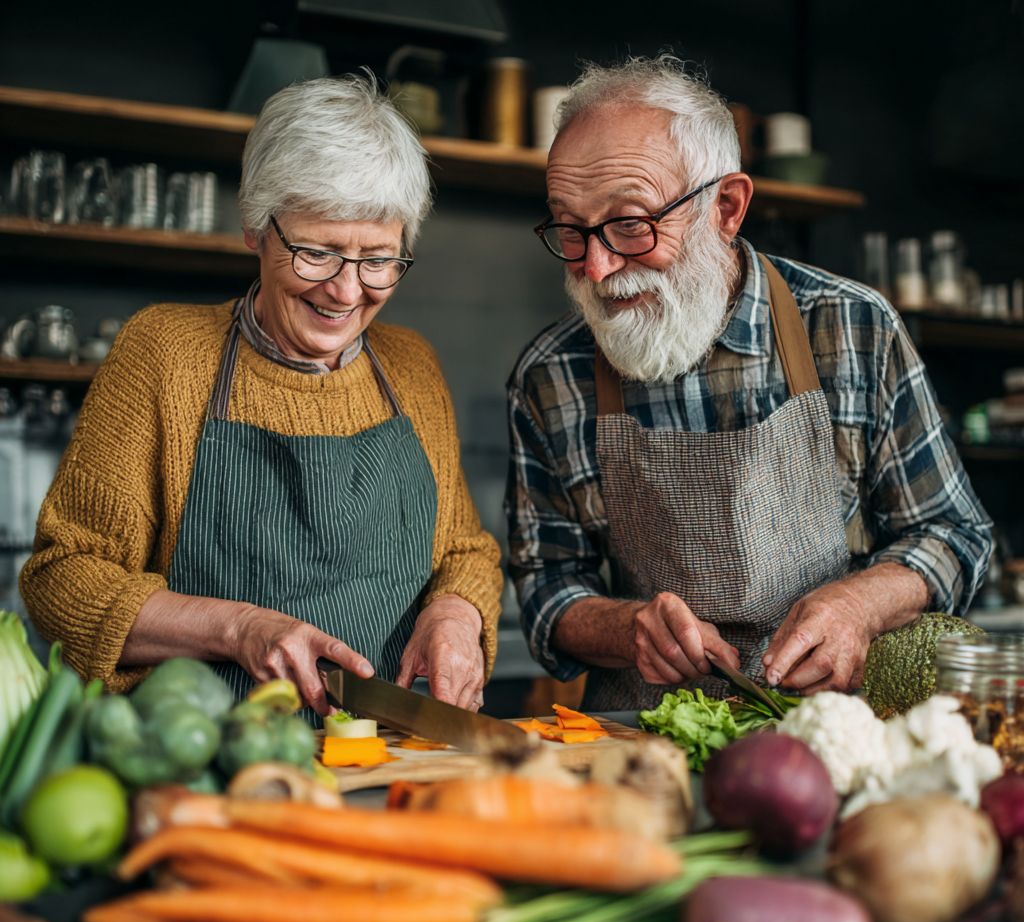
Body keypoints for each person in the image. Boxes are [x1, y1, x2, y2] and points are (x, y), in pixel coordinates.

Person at [505, 56, 992, 711]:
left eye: (631, 224)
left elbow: (954, 533)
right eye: (570, 229)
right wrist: (627, 631)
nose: (596, 268)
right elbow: (546, 585)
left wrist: (860, 603)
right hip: (642, 747)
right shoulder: (550, 375)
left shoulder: (853, 328)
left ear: (725, 208)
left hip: (835, 733)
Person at [21, 75, 502, 719]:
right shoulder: (164, 354)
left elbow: (464, 550)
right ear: (255, 226)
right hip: (204, 759)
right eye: (318, 252)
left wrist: (454, 614)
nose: (346, 291)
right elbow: (64, 579)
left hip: (381, 758)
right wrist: (238, 629)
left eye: (379, 259)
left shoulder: (411, 368)